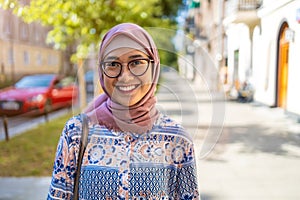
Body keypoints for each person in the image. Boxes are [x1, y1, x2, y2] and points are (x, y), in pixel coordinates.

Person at [47, 23, 199, 200]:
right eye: (113, 64)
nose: (125, 76)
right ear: (101, 71)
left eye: (136, 63)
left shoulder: (178, 140)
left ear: (154, 66)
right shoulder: (76, 133)